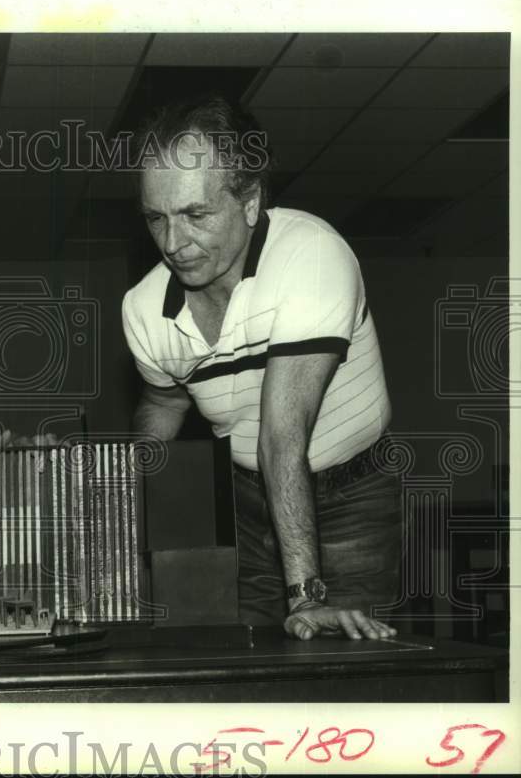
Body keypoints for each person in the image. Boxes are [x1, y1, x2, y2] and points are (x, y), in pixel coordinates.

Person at [121, 95, 402, 641]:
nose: (173, 244)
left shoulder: (311, 256)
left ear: (249, 204)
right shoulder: (142, 309)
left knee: (348, 662)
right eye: (157, 219)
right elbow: (163, 403)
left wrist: (305, 595)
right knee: (249, 656)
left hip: (352, 493)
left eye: (196, 215)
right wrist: (121, 505)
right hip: (245, 496)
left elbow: (282, 436)